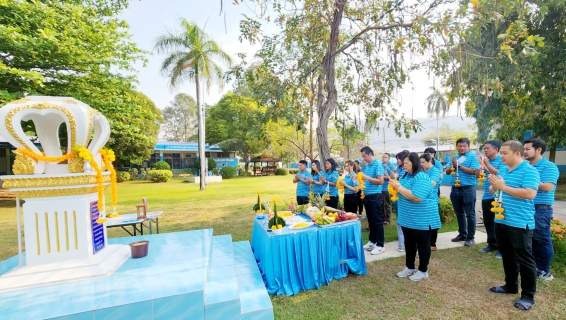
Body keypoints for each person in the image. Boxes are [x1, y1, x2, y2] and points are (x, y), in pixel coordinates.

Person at [488, 140, 539, 311]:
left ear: (517, 154)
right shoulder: (503, 170)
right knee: (507, 256)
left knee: (525, 259)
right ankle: (510, 285)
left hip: (519, 222)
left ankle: (528, 296)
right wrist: (494, 188)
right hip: (501, 220)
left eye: (504, 153)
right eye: (501, 153)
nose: (501, 156)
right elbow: (499, 189)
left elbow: (530, 193)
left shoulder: (529, 171)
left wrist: (503, 186)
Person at [390, 152, 440, 281]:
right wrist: (395, 188)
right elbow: (402, 191)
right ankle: (410, 267)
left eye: (407, 163)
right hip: (407, 217)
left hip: (422, 218)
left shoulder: (422, 177)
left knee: (423, 244)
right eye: (403, 163)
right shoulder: (406, 175)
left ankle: (423, 270)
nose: (404, 165)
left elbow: (417, 197)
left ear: (414, 163)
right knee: (409, 242)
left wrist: (399, 188)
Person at [524, 138, 560, 281]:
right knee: (530, 239)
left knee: (542, 239)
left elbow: (547, 187)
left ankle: (545, 271)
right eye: (524, 149)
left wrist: (526, 181)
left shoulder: (549, 166)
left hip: (541, 209)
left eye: (527, 149)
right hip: (527, 207)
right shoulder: (526, 166)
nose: (524, 152)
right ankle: (534, 268)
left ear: (538, 150)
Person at [447, 137, 480, 246]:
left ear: (468, 147)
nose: (462, 148)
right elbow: (447, 172)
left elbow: (475, 171)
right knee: (459, 213)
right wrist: (453, 165)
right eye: (460, 146)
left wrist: (459, 166)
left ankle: (470, 237)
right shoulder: (454, 157)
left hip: (468, 188)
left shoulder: (473, 157)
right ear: (456, 146)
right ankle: (462, 234)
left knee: (470, 214)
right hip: (455, 188)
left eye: (464, 146)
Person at [477, 140, 505, 257]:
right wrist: (481, 166)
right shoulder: (485, 161)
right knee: (488, 222)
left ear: (496, 149)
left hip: (498, 196)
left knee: (499, 223)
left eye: (488, 148)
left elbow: (500, 174)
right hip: (486, 195)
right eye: (485, 148)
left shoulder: (502, 160)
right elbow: (478, 176)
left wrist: (487, 165)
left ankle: (502, 248)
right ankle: (491, 244)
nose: (485, 150)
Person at [360, 146, 386, 255]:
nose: (363, 159)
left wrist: (367, 178)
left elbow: (380, 181)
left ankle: (380, 245)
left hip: (375, 196)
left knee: (377, 221)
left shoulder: (378, 165)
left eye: (365, 156)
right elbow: (363, 179)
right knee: (371, 221)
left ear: (370, 154)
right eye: (362, 157)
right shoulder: (366, 167)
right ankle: (372, 241)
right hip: (367, 196)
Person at [420, 154, 441, 251]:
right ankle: (426, 242)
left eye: (423, 162)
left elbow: (433, 183)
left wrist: (420, 185)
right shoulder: (422, 171)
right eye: (420, 162)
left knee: (433, 223)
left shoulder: (435, 171)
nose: (421, 164)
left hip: (432, 201)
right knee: (425, 222)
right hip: (423, 200)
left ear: (430, 161)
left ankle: (433, 244)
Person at [393, 150, 410, 252]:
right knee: (400, 221)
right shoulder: (399, 169)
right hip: (399, 198)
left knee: (404, 222)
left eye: (399, 159)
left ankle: (403, 244)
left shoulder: (409, 173)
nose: (398, 161)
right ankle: (401, 244)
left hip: (405, 198)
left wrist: (397, 180)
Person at [381, 153, 395, 225]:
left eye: (385, 157)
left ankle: (388, 219)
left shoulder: (390, 166)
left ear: (389, 159)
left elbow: (391, 177)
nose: (383, 158)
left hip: (387, 188)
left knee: (387, 204)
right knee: (381, 203)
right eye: (383, 157)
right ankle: (382, 218)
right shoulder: (380, 165)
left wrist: (381, 177)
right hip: (380, 188)